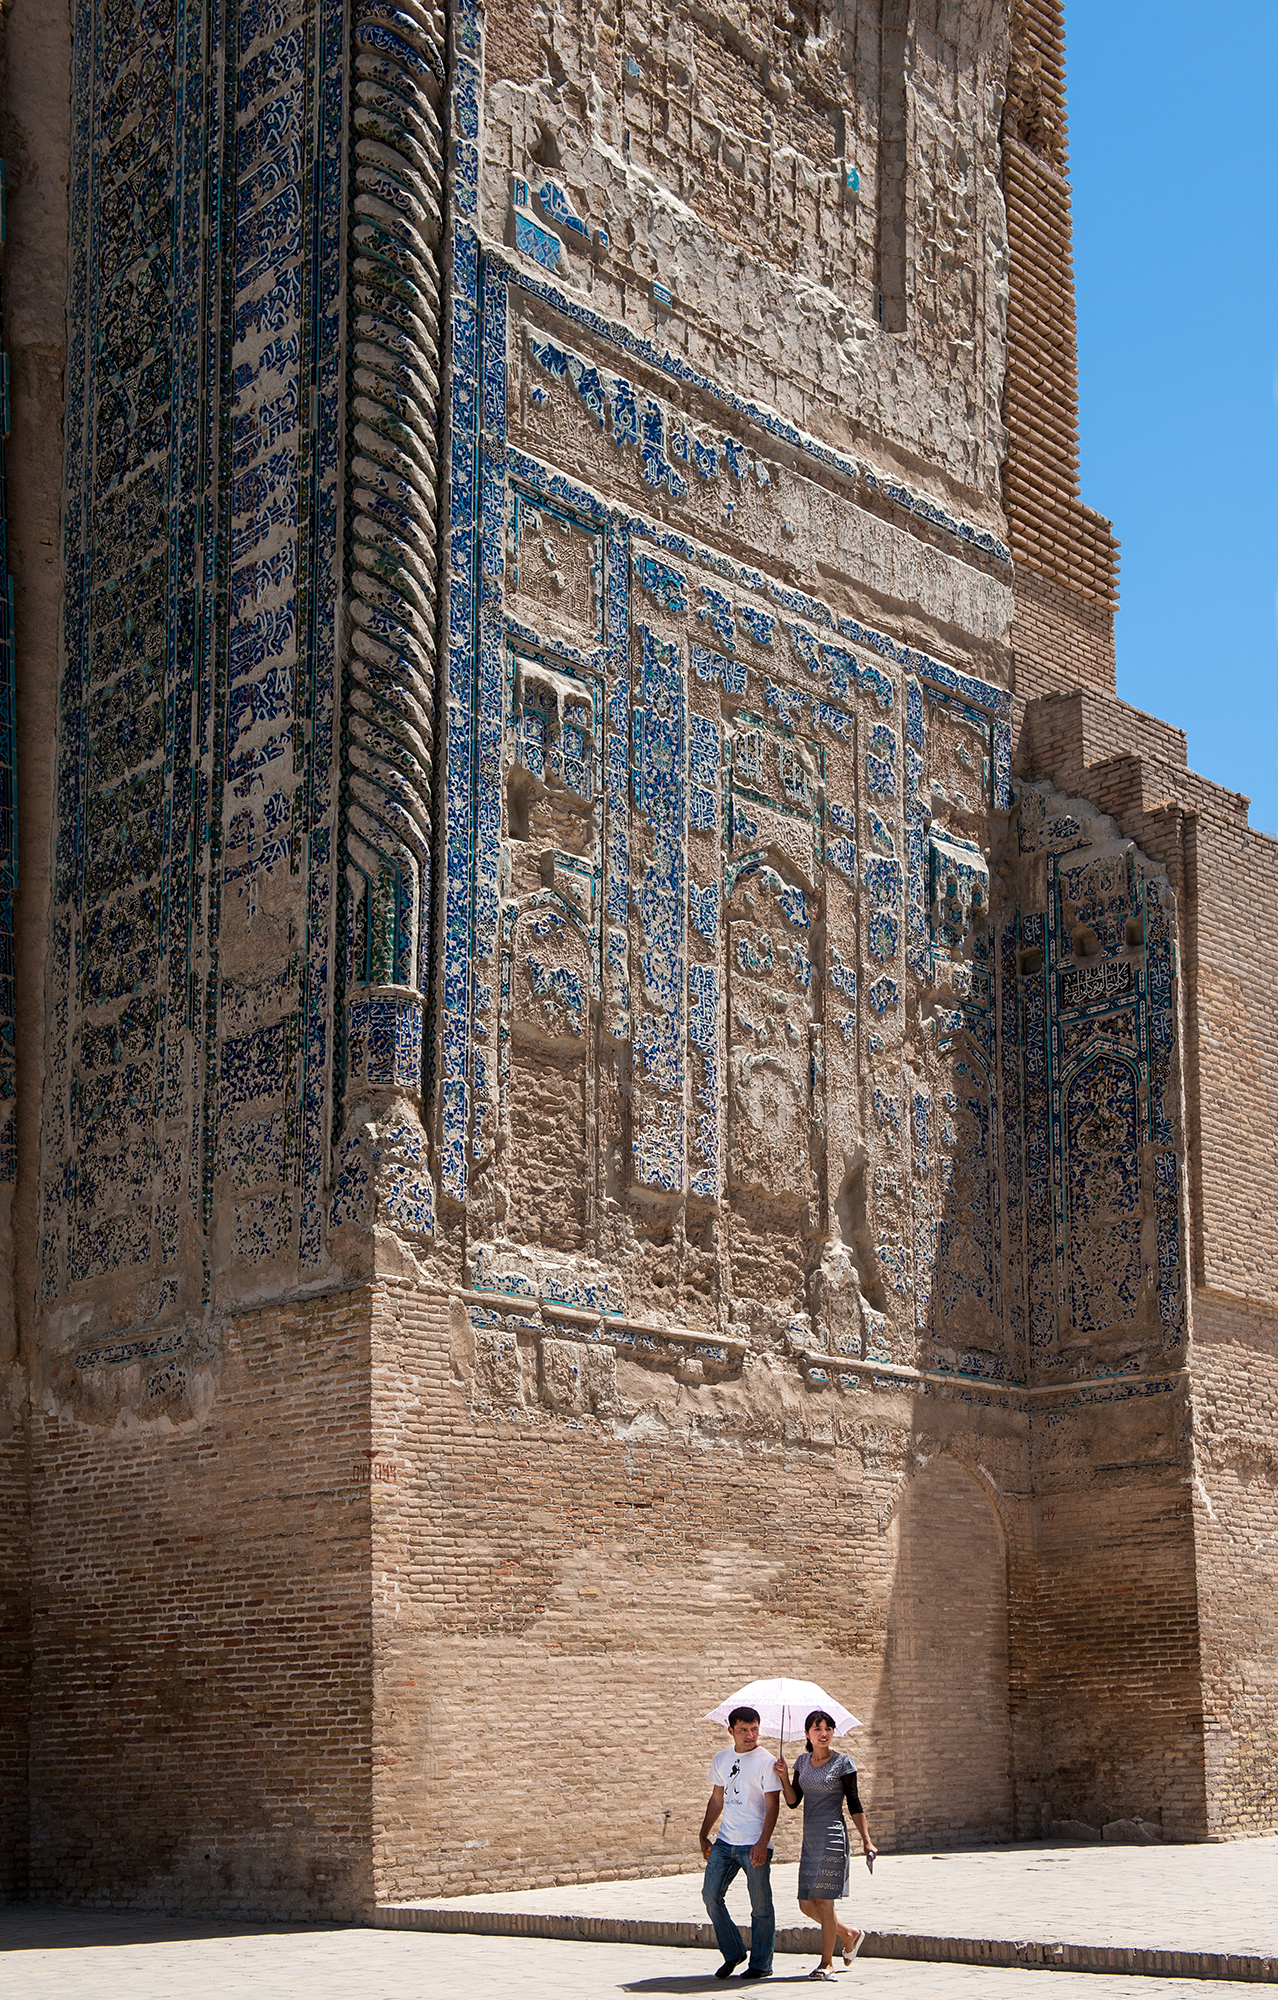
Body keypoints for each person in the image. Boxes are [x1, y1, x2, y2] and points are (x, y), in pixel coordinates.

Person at [774, 1708, 876, 1981]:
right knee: (806, 1904)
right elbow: (794, 1802)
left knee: (825, 1901)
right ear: (807, 1733)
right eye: (817, 1728)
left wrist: (867, 1840)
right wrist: (784, 1777)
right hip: (810, 1839)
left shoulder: (843, 1763)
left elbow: (854, 1803)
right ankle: (848, 1933)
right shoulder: (802, 1763)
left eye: (828, 1728)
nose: (824, 1733)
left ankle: (827, 1963)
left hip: (832, 1836)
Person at [699, 1704, 782, 1981]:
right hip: (724, 1841)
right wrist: (703, 1834)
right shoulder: (721, 1759)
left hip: (753, 1843)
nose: (750, 1735)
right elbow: (716, 1800)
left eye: (754, 1729)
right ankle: (733, 1951)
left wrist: (763, 1842)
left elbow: (773, 1806)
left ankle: (761, 1964)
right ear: (731, 1730)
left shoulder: (766, 1761)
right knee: (710, 1895)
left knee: (760, 1906)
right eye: (744, 1730)